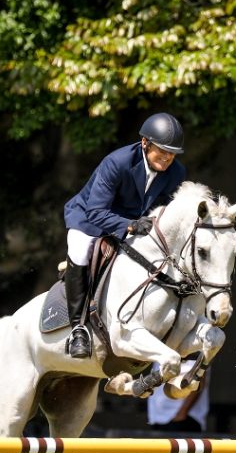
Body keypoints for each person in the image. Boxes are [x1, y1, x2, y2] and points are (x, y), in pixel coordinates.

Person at [62, 112, 188, 358]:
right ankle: (78, 328)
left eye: (172, 153)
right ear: (145, 143)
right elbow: (96, 211)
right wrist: (129, 226)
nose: (167, 157)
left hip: (136, 223)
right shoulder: (117, 162)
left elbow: (162, 210)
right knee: (79, 250)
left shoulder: (176, 173)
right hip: (89, 220)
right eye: (162, 150)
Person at [147, 360, 209, 453]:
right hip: (159, 418)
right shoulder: (160, 345)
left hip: (183, 419)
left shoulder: (197, 346)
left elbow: (200, 382)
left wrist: (182, 413)